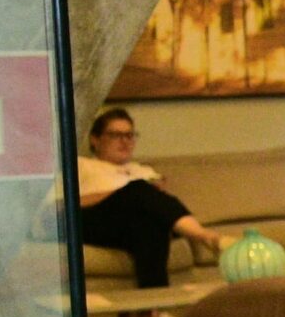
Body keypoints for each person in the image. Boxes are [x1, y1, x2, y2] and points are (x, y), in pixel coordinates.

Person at [74, 106, 235, 286]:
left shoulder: (143, 170)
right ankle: (205, 236)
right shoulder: (81, 165)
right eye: (115, 135)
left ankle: (153, 301)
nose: (125, 141)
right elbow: (59, 208)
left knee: (151, 227)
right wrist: (121, 194)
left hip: (130, 225)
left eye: (129, 135)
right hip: (92, 221)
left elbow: (159, 206)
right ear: (95, 139)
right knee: (137, 188)